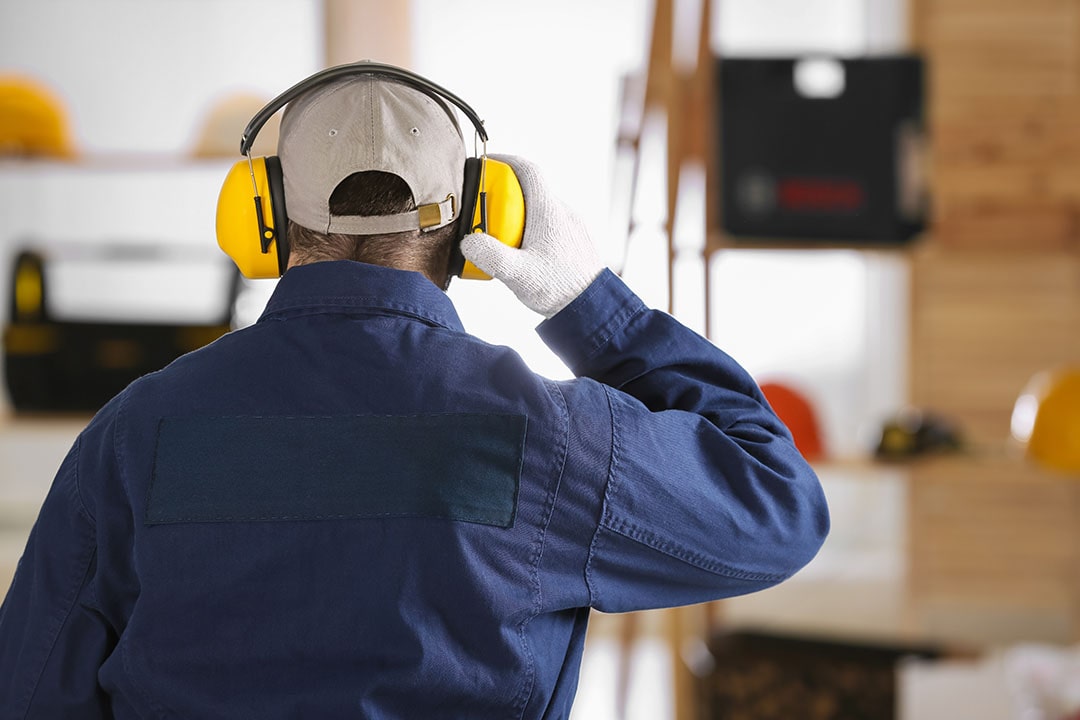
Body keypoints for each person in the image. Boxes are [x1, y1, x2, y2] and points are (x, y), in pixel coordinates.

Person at [0, 66, 829, 719]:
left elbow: (31, 691)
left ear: (262, 215)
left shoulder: (135, 431)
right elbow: (778, 507)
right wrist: (587, 305)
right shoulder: (550, 434)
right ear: (479, 223)